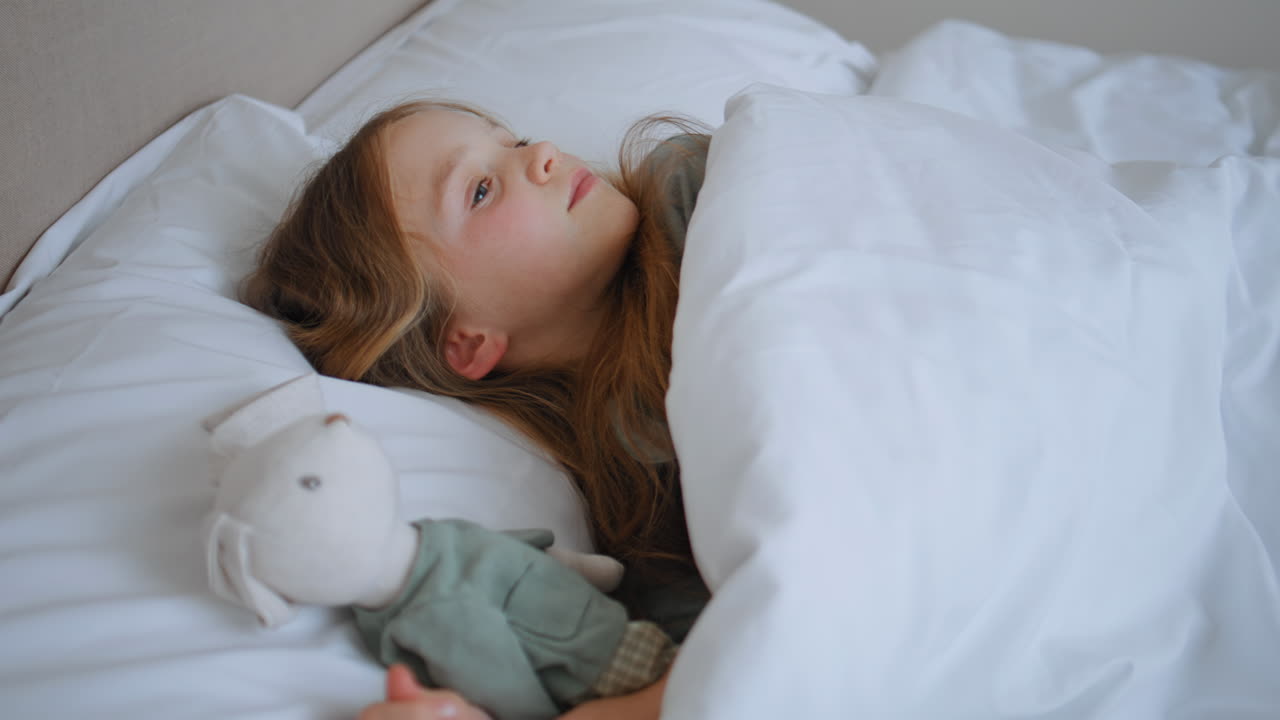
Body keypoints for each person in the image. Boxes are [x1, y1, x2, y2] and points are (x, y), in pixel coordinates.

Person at [242, 99, 711, 720]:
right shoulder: (634, 487)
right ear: (464, 342)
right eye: (483, 190)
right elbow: (736, 656)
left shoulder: (693, 191)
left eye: (514, 141)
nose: (543, 155)